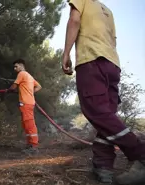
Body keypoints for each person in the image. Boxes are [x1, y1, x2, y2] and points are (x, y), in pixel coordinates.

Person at [62, 0, 145, 184]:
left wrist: (66, 53)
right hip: (113, 64)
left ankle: (141, 152)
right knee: (107, 117)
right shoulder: (107, 10)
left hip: (91, 60)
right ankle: (103, 166)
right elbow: (113, 40)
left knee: (97, 112)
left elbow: (74, 21)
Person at [6, 59, 42, 155]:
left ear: (21, 65)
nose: (15, 69)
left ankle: (34, 146)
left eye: (16, 66)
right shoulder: (29, 76)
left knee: (29, 124)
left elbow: (14, 87)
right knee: (26, 124)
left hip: (26, 103)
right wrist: (30, 92)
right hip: (28, 103)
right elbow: (39, 87)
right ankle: (30, 144)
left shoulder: (21, 74)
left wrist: (8, 90)